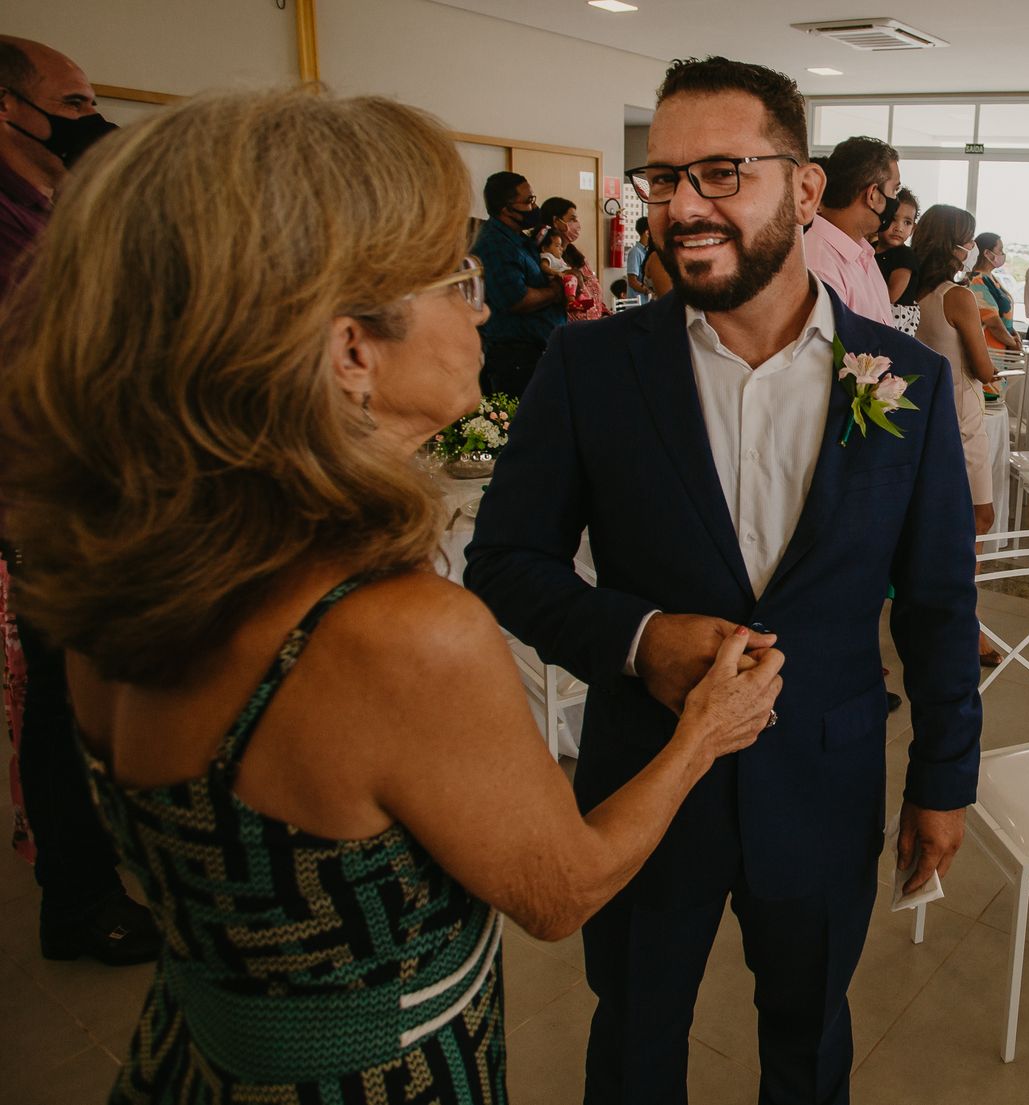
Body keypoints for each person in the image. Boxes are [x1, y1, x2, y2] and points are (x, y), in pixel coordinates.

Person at [0, 85, 785, 1104]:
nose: (484, 307)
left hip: (190, 1060)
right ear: (351, 350)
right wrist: (704, 732)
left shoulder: (113, 566)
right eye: (456, 281)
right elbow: (561, 890)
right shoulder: (396, 632)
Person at [465, 57, 982, 1105]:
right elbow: (505, 562)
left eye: (721, 173)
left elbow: (937, 602)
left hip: (825, 778)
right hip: (645, 776)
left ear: (804, 188)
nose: (683, 207)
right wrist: (638, 638)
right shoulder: (590, 366)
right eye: (664, 179)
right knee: (635, 1031)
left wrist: (943, 776)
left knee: (808, 1035)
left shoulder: (908, 383)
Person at [0, 34, 159, 969]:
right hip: (45, 502)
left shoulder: (59, 211)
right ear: (8, 109)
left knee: (110, 693)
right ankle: (79, 895)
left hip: (110, 491)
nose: (91, 121)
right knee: (61, 710)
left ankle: (123, 857)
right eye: (72, 105)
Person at [909, 204, 1003, 666]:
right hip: (961, 418)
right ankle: (967, 621)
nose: (972, 248)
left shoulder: (909, 290)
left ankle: (938, 611)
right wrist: (994, 371)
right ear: (954, 245)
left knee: (934, 518)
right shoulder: (957, 296)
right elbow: (982, 367)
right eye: (968, 240)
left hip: (921, 418)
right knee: (978, 518)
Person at [473, 170, 564, 398]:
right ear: (507, 208)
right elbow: (516, 299)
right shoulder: (494, 244)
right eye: (529, 200)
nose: (535, 207)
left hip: (538, 350)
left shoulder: (520, 239)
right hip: (515, 358)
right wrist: (555, 291)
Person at [801, 134, 899, 325]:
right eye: (895, 190)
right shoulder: (821, 266)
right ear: (872, 195)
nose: (896, 200)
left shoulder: (863, 253)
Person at [539, 195, 609, 322]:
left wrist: (604, 314)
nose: (578, 225)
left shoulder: (576, 256)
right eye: (572, 219)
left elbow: (594, 290)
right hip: (570, 328)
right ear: (556, 221)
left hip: (596, 324)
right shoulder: (548, 260)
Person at [873, 185, 920, 332]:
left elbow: (891, 296)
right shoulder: (869, 249)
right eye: (893, 219)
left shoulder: (905, 255)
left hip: (894, 320)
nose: (899, 228)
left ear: (913, 229)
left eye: (907, 222)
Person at [967, 232, 1020, 351]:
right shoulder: (977, 280)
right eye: (1000, 250)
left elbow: (1004, 318)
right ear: (987, 254)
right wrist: (1013, 343)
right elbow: (993, 323)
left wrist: (1014, 335)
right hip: (990, 350)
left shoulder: (990, 278)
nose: (1003, 254)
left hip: (1002, 348)